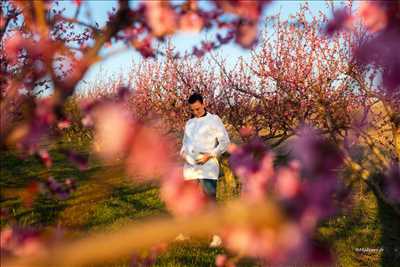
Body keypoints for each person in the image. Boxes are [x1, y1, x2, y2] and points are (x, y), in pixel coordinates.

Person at [179, 92, 230, 247]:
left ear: (204, 104)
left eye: (198, 109)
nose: (196, 112)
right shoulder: (189, 123)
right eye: (193, 110)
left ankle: (217, 236)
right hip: (190, 168)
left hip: (208, 167)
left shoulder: (214, 120)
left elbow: (225, 142)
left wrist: (210, 155)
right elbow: (184, 145)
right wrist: (183, 154)